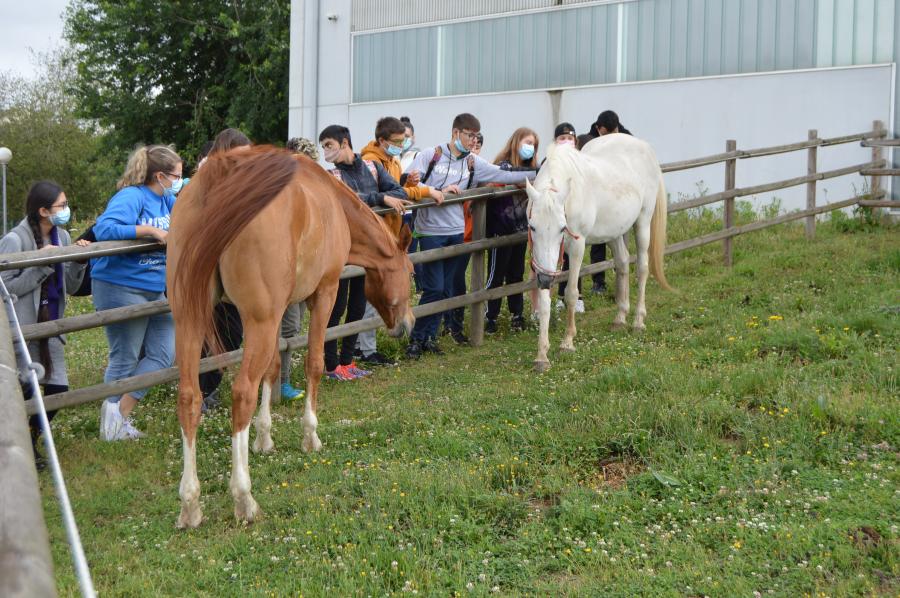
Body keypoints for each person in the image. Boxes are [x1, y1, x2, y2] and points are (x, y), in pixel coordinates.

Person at [403, 113, 537, 359]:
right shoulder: (430, 155)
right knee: (434, 287)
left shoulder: (472, 161)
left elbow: (502, 175)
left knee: (447, 290)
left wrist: (538, 174)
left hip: (456, 233)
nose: (473, 140)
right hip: (431, 231)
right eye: (469, 135)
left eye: (476, 136)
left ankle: (430, 338)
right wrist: (436, 191)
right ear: (456, 133)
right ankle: (416, 338)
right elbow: (407, 185)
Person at [93, 144, 181, 441]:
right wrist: (149, 231)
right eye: (176, 176)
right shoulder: (130, 196)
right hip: (120, 285)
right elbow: (104, 229)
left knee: (164, 352)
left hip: (155, 288)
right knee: (125, 357)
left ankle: (119, 415)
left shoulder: (167, 199)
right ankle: (111, 427)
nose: (178, 180)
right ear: (160, 175)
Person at [0, 181, 90, 467]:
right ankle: (20, 447)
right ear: (42, 211)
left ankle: (30, 436)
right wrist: (41, 263)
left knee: (58, 392)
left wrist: (78, 259)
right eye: (60, 206)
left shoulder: (63, 235)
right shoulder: (15, 240)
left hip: (52, 325)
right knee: (23, 389)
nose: (66, 210)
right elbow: (5, 288)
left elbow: (72, 287)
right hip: (22, 326)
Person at [319, 124, 410, 379]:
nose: (326, 152)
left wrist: (381, 196)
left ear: (345, 143)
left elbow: (398, 191)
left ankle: (348, 361)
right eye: (323, 147)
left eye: (329, 145)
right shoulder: (331, 175)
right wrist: (379, 198)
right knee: (336, 308)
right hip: (343, 250)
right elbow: (347, 201)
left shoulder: (372, 167)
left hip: (369, 250)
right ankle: (331, 365)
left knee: (357, 305)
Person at [359, 117, 443, 366]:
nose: (401, 145)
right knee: (375, 292)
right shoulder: (371, 162)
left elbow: (396, 190)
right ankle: (365, 348)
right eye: (396, 141)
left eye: (403, 141)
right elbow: (387, 195)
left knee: (376, 292)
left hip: (389, 235)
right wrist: (426, 191)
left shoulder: (391, 160)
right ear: (382, 140)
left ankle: (362, 346)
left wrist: (407, 183)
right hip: (377, 237)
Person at [196, 128, 254, 413]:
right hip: (207, 268)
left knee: (231, 333)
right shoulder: (205, 180)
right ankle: (200, 390)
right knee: (204, 333)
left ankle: (210, 387)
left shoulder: (243, 180)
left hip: (234, 269)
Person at [484, 127, 540, 334]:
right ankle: (490, 316)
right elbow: (507, 176)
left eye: (533, 144)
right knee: (496, 275)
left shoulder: (531, 167)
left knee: (516, 273)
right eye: (527, 142)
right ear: (516, 142)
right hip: (501, 229)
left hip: (520, 229)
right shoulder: (503, 164)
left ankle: (517, 314)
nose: (530, 148)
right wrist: (524, 181)